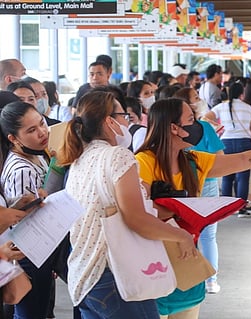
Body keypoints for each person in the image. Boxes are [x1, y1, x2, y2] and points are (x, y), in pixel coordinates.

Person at [135, 98, 251, 318]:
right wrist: (175, 209)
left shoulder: (193, 161)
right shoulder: (143, 162)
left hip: (187, 266)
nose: (198, 126)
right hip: (153, 267)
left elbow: (245, 159)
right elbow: (139, 212)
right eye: (191, 120)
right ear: (174, 128)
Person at [56, 91, 197, 319]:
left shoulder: (79, 159)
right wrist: (181, 236)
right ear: (109, 121)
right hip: (113, 275)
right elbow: (136, 218)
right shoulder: (118, 156)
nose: (128, 122)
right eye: (124, 116)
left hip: (83, 277)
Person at [0, 101, 55, 319]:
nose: (42, 132)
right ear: (13, 138)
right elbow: (20, 223)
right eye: (31, 130)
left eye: (41, 123)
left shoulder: (37, 154)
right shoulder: (21, 169)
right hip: (28, 254)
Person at [174, 87, 224, 293]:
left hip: (180, 186)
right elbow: (220, 157)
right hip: (208, 183)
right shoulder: (205, 128)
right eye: (195, 98)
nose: (199, 100)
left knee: (184, 232)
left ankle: (188, 278)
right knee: (208, 235)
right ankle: (211, 280)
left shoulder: (170, 130)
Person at [204, 82, 251, 216]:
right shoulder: (248, 108)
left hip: (226, 143)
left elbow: (205, 118)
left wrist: (218, 129)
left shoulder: (220, 107)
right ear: (241, 94)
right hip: (244, 143)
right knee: (243, 177)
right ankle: (241, 208)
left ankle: (226, 208)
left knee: (227, 176)